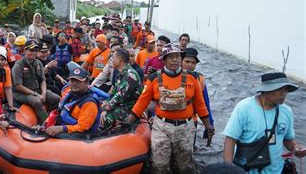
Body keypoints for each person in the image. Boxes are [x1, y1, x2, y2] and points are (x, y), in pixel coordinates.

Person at [128, 43, 214, 173]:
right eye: (170, 57)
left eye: (177, 56)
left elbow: (200, 104)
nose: (174, 60)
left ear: (181, 58)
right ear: (164, 60)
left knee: (184, 166)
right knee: (160, 165)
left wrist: (209, 126)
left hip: (185, 128)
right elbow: (142, 102)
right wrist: (128, 122)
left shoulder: (192, 78)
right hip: (162, 128)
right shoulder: (154, 79)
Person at [223, 72, 305, 173]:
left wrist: (296, 148)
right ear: (267, 90)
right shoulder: (244, 108)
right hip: (247, 170)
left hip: (277, 170)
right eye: (280, 89)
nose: (284, 93)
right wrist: (229, 169)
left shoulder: (286, 111)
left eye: (286, 89)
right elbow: (230, 140)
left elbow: (288, 140)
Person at [12, 40, 60, 124]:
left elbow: (43, 80)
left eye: (35, 50)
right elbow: (18, 86)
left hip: (36, 89)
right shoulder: (18, 65)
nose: (34, 52)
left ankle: (50, 117)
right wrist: (36, 95)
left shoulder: (38, 63)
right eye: (31, 50)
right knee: (36, 102)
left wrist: (44, 93)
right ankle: (46, 123)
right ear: (24, 51)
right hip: (21, 93)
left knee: (56, 98)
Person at [45, 66, 101, 136]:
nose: (74, 83)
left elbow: (83, 128)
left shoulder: (89, 103)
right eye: (72, 80)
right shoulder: (71, 95)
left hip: (77, 137)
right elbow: (59, 112)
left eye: (78, 81)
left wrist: (61, 129)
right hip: (64, 126)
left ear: (87, 82)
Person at [100, 48, 142, 130]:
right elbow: (114, 93)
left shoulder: (131, 75)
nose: (111, 59)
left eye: (113, 57)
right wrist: (107, 102)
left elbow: (119, 96)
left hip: (129, 107)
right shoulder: (121, 73)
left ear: (119, 59)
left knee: (106, 119)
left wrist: (106, 108)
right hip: (122, 104)